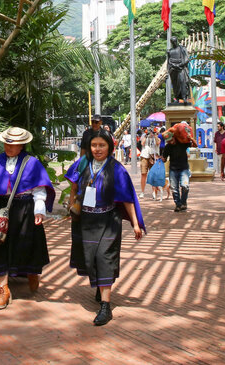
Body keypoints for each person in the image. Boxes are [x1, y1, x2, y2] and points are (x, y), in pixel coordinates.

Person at [66, 130, 145, 326]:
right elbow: (74, 187)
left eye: (102, 145)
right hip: (86, 220)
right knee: (90, 258)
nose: (98, 149)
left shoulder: (117, 169)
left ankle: (105, 307)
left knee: (104, 257)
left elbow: (126, 198)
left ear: (110, 146)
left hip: (109, 220)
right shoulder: (82, 164)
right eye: (94, 145)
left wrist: (135, 223)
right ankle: (101, 286)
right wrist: (71, 205)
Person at [0, 127, 56, 309]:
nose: (8, 147)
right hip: (0, 208)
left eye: (13, 144)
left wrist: (39, 209)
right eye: (6, 143)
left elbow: (39, 188)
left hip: (25, 208)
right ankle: (3, 289)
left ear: (22, 145)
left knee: (27, 245)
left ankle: (31, 272)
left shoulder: (32, 163)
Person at [161, 122, 197, 212]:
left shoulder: (182, 143)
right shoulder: (167, 147)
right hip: (173, 169)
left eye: (171, 140)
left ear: (174, 137)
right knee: (174, 189)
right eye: (168, 141)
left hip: (184, 168)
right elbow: (164, 158)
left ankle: (183, 202)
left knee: (185, 186)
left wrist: (191, 138)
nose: (170, 142)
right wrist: (162, 159)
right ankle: (178, 204)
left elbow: (195, 146)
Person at [167, 36, 191, 104]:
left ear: (177, 41)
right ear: (171, 42)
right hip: (173, 70)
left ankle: (184, 98)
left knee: (183, 82)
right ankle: (177, 98)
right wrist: (168, 71)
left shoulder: (182, 48)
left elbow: (186, 59)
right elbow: (168, 62)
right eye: (173, 42)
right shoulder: (170, 51)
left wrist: (180, 65)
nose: (174, 43)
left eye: (175, 41)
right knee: (175, 85)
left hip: (181, 69)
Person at [140, 127, 160, 198]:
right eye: (150, 132)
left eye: (152, 132)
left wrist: (155, 135)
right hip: (144, 156)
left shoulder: (156, 138)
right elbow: (142, 143)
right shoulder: (145, 137)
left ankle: (154, 192)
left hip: (153, 157)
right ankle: (142, 192)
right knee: (143, 174)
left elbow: (158, 143)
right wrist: (146, 135)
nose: (151, 133)